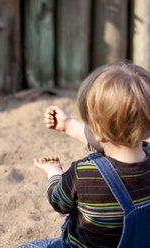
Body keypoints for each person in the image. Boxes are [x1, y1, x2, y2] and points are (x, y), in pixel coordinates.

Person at [18, 62, 150, 248]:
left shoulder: (83, 173)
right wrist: (69, 125)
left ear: (100, 130)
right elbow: (108, 143)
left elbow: (59, 202)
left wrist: (54, 173)